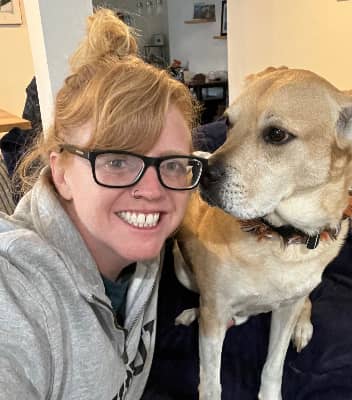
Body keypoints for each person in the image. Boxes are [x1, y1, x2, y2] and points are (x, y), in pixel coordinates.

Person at [0, 8, 206, 400]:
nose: (153, 191)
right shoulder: (17, 289)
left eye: (172, 164)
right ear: (61, 173)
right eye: (116, 161)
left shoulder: (145, 251)